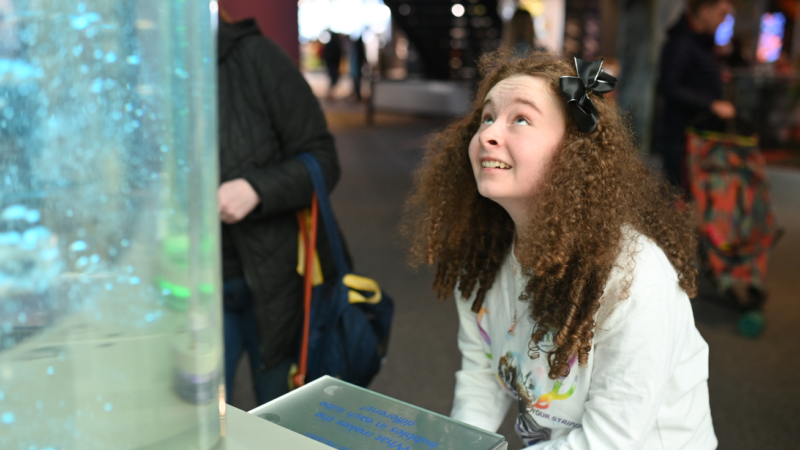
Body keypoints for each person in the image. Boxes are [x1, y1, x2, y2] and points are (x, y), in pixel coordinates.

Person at [404, 50, 717, 448]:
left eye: (520, 119)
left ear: (573, 152)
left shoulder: (636, 279)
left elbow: (610, 440)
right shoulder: (483, 260)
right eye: (487, 117)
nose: (487, 134)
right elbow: (483, 375)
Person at [217, 12, 341, 405]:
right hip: (186, 286)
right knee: (189, 422)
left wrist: (256, 189)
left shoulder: (256, 57)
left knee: (278, 419)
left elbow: (324, 159)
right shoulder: (142, 70)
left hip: (275, 286)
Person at [656, 0, 734, 192]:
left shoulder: (701, 43)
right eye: (721, 14)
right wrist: (711, 105)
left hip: (696, 138)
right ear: (705, 11)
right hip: (682, 139)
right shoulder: (682, 43)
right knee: (676, 200)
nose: (723, 20)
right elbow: (669, 87)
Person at [322, 31, 343, 99]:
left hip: (331, 65)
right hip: (334, 65)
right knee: (333, 79)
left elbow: (324, 55)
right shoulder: (337, 45)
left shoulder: (329, 44)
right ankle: (330, 94)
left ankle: (330, 94)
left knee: (332, 79)